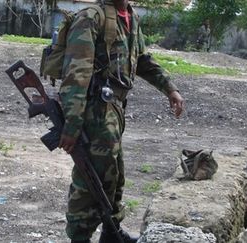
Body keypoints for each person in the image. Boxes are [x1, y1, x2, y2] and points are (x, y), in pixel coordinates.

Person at [58, 0, 184, 242]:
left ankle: (111, 233)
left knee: (113, 174)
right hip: (93, 109)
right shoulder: (90, 17)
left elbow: (143, 60)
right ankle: (79, 237)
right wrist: (72, 124)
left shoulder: (130, 17)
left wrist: (170, 88)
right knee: (89, 178)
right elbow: (76, 74)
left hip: (114, 108)